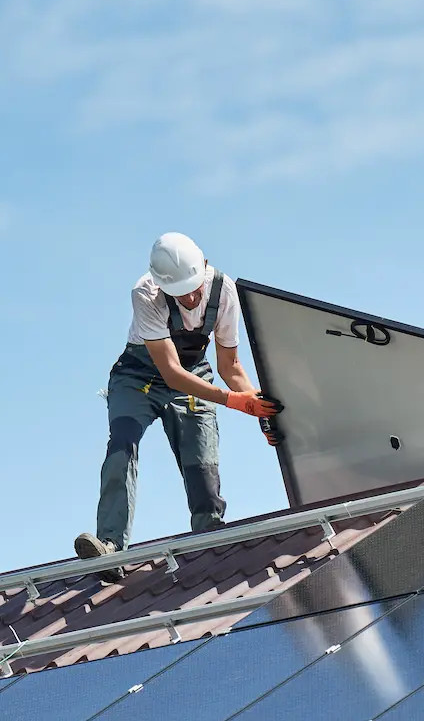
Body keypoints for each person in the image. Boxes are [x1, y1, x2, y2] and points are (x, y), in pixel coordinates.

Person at [76, 233, 280, 561]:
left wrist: (260, 408)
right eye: (179, 293)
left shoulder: (223, 290)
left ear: (205, 267)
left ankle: (208, 539)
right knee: (122, 445)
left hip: (195, 373)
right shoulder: (146, 292)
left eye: (194, 289)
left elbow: (230, 365)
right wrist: (232, 401)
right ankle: (110, 547)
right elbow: (170, 372)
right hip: (139, 377)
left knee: (202, 463)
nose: (188, 298)